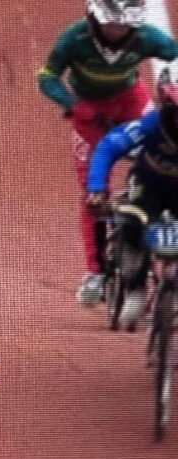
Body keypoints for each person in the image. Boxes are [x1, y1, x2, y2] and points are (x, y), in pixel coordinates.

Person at [39, 0, 178, 305]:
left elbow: (173, 53)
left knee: (160, 161)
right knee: (92, 194)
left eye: (124, 22)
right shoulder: (74, 39)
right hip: (89, 116)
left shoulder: (147, 37)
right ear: (92, 13)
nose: (116, 28)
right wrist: (72, 104)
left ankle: (149, 230)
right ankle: (96, 272)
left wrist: (170, 84)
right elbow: (46, 76)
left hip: (132, 104)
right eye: (109, 19)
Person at [84, 60, 178, 331]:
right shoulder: (151, 126)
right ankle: (135, 288)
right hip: (148, 187)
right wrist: (96, 189)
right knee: (132, 221)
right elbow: (110, 145)